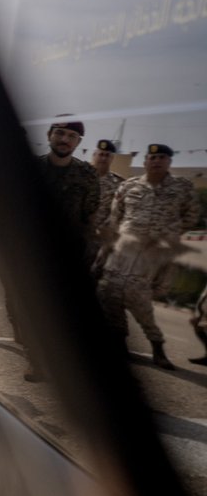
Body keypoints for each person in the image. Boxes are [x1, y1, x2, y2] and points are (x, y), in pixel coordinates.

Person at [97, 143, 198, 370]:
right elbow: (116, 215)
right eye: (152, 158)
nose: (157, 161)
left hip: (154, 254)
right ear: (145, 162)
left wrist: (169, 236)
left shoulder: (182, 187)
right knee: (109, 294)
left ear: (169, 162)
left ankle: (157, 346)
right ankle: (119, 342)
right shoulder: (129, 186)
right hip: (125, 249)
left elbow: (191, 215)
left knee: (139, 298)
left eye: (162, 157)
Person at [37, 119, 101, 263]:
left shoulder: (88, 176)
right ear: (49, 135)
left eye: (72, 136)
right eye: (60, 133)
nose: (65, 139)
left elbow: (89, 221)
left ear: (78, 142)